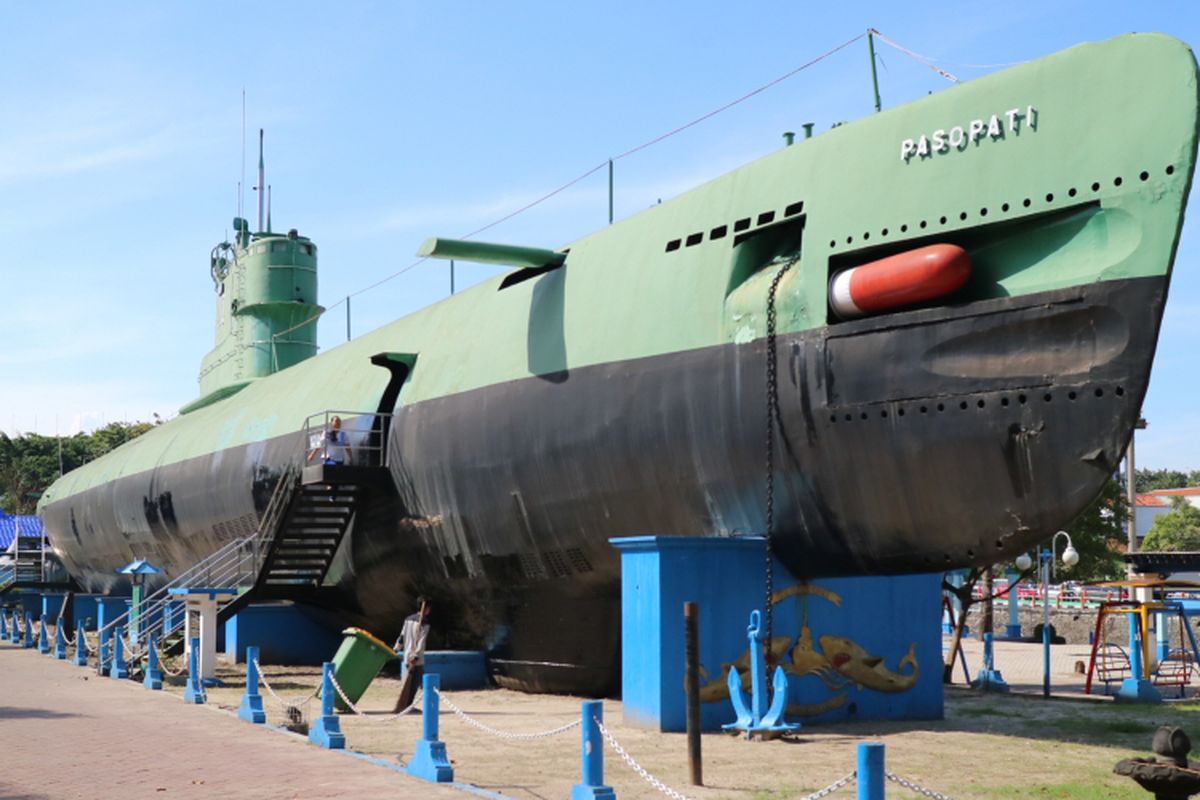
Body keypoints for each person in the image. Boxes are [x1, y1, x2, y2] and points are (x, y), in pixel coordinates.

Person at [393, 596, 432, 712]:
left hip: (406, 655)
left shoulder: (408, 619)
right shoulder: (425, 622)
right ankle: (408, 706)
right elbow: (421, 641)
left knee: (409, 682)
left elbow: (402, 636)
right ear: (427, 609)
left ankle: (405, 705)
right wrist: (416, 656)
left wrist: (396, 648)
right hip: (416, 658)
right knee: (413, 684)